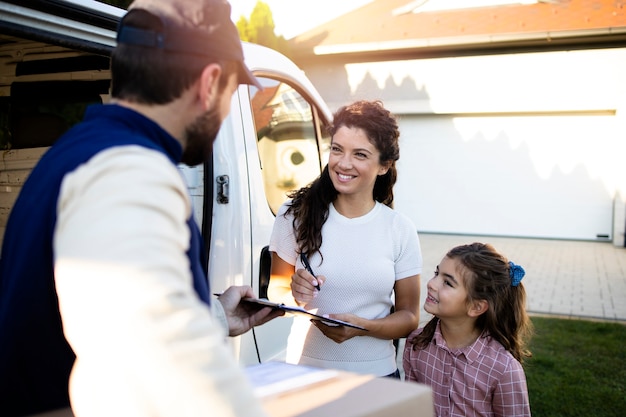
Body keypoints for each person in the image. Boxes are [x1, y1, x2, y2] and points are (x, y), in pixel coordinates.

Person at [0, 1, 284, 416]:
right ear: (208, 83)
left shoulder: (75, 155)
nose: (225, 112)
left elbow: (114, 319)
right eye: (230, 93)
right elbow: (164, 365)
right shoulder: (127, 171)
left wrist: (217, 320)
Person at [268, 99, 422, 378]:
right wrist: (294, 292)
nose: (343, 163)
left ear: (384, 165)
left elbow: (409, 318)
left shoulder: (400, 229)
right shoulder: (294, 215)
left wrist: (364, 327)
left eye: (360, 154)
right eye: (337, 149)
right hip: (305, 372)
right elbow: (276, 293)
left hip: (376, 378)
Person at [403, 242, 533, 417]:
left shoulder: (504, 369)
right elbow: (413, 408)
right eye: (436, 273)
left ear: (476, 307)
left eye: (447, 282)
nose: (432, 283)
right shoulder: (416, 344)